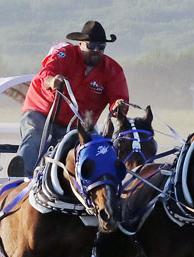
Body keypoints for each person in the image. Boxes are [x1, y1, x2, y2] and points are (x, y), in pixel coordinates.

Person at [8, 20, 130, 177]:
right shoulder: (65, 55)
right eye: (91, 45)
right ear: (80, 44)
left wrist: (118, 106)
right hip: (41, 112)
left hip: (78, 122)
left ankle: (97, 185)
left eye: (101, 47)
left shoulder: (113, 70)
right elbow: (47, 72)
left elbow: (119, 98)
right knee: (35, 135)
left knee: (96, 146)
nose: (96, 50)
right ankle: (19, 178)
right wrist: (52, 81)